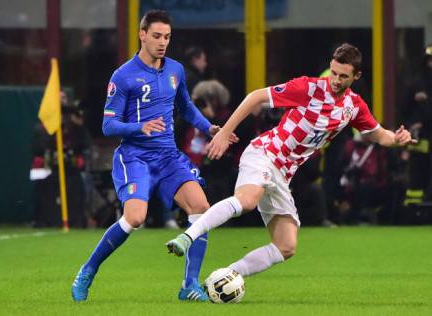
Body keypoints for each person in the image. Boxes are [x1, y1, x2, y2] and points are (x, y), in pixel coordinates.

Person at [166, 43, 416, 279]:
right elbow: (255, 97)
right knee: (248, 201)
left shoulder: (354, 106)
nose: (336, 80)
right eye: (334, 73)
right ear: (331, 65)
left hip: (283, 173)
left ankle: (226, 276)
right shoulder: (308, 88)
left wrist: (398, 137)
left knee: (286, 245)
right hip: (264, 154)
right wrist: (222, 132)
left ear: (356, 76)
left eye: (343, 77)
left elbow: (380, 135)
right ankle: (188, 236)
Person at [71, 10, 237, 302]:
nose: (163, 42)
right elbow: (108, 125)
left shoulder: (175, 70)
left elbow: (185, 107)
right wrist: (141, 127)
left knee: (201, 207)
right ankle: (88, 269)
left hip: (168, 157)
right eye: (157, 36)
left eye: (168, 37)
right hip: (134, 156)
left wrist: (210, 128)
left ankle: (189, 285)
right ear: (142, 34)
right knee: (135, 217)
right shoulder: (123, 76)